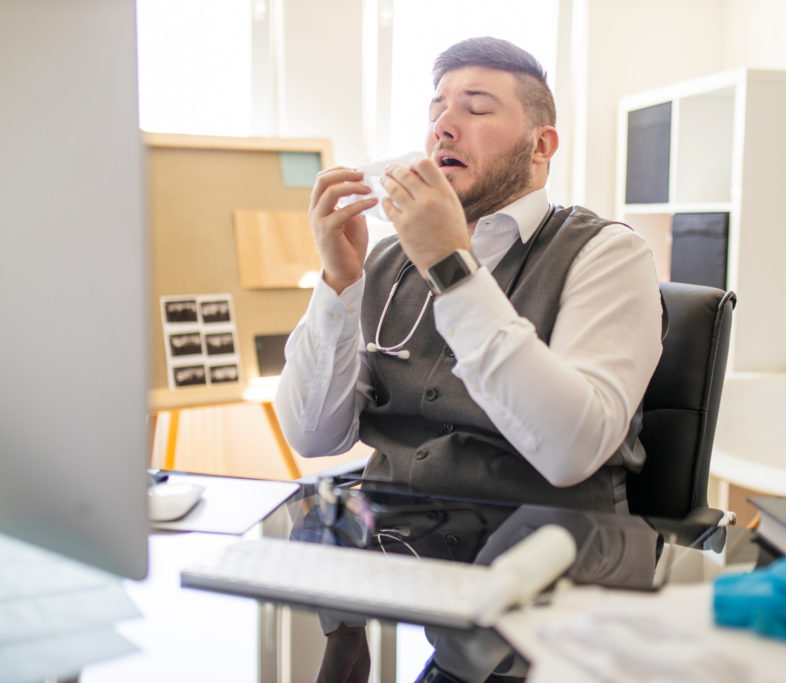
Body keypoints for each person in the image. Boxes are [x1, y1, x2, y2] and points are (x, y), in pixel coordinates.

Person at [276, 35, 664, 683]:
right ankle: (347, 639)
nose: (443, 125)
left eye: (477, 107)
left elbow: (571, 450)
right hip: (404, 536)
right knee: (303, 531)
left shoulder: (609, 255)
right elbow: (313, 434)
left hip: (545, 554)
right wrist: (338, 283)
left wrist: (452, 268)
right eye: (436, 110)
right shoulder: (385, 263)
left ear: (541, 146)